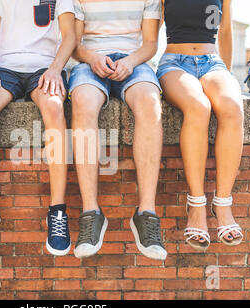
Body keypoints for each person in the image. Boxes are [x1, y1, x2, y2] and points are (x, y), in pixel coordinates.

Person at [0, 0, 76, 256]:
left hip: (45, 67)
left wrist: (56, 69)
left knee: (55, 107)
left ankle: (57, 211)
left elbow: (69, 36)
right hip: (5, 68)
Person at [69, 0, 167, 260]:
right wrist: (92, 57)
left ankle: (146, 213)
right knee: (82, 101)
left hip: (134, 63)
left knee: (150, 102)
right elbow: (74, 44)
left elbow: (150, 44)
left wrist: (130, 61)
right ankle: (92, 213)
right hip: (90, 65)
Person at [157, 0, 243, 251]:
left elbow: (225, 32)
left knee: (231, 106)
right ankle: (196, 205)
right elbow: (149, 30)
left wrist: (226, 73)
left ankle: (223, 203)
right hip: (174, 63)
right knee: (198, 106)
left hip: (211, 62)